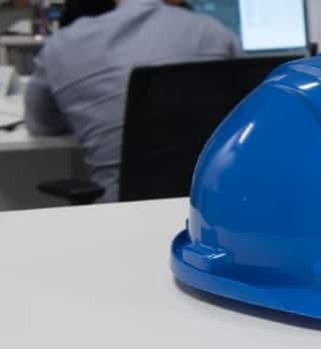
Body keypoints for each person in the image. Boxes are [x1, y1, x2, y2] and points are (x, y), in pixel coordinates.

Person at [24, 0, 241, 202]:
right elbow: (247, 112)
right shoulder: (214, 31)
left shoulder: (62, 44)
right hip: (212, 202)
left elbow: (41, 124)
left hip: (121, 210)